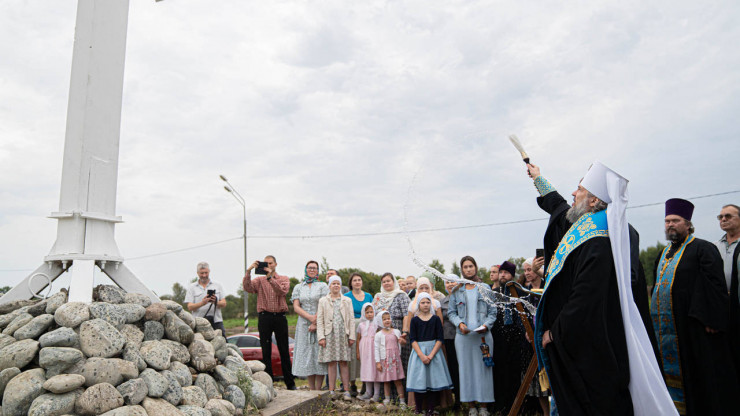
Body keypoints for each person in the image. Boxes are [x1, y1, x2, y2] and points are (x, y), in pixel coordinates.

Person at [532, 161, 673, 416]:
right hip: (591, 344)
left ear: (595, 200)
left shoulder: (600, 238)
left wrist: (555, 333)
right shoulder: (596, 228)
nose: (573, 195)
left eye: (579, 189)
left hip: (592, 350)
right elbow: (559, 209)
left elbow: (586, 295)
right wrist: (540, 180)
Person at [651, 198, 740, 414]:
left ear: (688, 224)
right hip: (666, 332)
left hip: (693, 329)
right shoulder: (663, 254)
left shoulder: (703, 248)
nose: (670, 225)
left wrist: (712, 319)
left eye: (675, 220)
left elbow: (715, 286)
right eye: (667, 221)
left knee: (698, 381)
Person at [447, 255, 496, 416]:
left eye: (471, 266)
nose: (468, 269)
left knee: (483, 370)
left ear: (475, 267)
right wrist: (459, 324)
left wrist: (485, 325)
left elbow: (493, 312)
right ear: (462, 270)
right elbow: (451, 312)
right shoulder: (456, 290)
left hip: (482, 337)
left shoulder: (485, 288)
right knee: (466, 370)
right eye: (465, 267)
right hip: (463, 337)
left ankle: (483, 406)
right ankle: (471, 407)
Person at [242, 256, 296, 389]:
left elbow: (282, 291)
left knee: (283, 350)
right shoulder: (259, 280)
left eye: (270, 263)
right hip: (265, 316)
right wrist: (248, 271)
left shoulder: (283, 278)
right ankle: (269, 383)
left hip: (280, 316)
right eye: (265, 263)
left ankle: (290, 383)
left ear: (275, 264)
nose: (268, 265)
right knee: (266, 351)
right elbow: (248, 288)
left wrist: (270, 278)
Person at [406, 293, 453, 415]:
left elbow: (439, 338)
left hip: (434, 353)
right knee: (419, 380)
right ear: (419, 305)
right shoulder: (415, 320)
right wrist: (421, 355)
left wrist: (431, 355)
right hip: (419, 353)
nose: (426, 305)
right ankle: (418, 409)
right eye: (423, 302)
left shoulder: (436, 319)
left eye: (428, 302)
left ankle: (431, 409)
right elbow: (413, 339)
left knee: (433, 381)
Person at [290, 260, 329, 390]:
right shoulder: (299, 287)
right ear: (306, 269)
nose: (312, 270)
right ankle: (311, 388)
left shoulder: (323, 286)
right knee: (307, 354)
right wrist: (309, 318)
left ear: (317, 271)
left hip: (320, 321)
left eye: (315, 268)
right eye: (310, 267)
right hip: (303, 324)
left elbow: (324, 303)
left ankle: (319, 388)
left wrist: (316, 320)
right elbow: (296, 306)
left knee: (319, 354)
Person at [317, 275, 356, 400]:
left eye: (338, 284)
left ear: (340, 286)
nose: (336, 286)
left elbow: (351, 319)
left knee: (344, 362)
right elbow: (320, 320)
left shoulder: (347, 300)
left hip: (343, 334)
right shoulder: (323, 300)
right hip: (330, 334)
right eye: (333, 283)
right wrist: (321, 337)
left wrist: (352, 336)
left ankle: (346, 390)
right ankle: (331, 390)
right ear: (329, 286)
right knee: (332, 362)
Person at [373, 273, 412, 382]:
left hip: (398, 333)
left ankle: (402, 394)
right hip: (382, 335)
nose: (386, 283)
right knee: (384, 360)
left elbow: (406, 315)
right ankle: (386, 393)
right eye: (384, 281)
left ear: (393, 282)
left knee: (399, 361)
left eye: (388, 281)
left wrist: (404, 331)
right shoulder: (378, 297)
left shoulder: (401, 295)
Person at [344, 272, 373, 395]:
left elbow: (372, 311)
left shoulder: (368, 296)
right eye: (354, 280)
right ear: (351, 283)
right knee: (352, 356)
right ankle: (352, 384)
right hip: (352, 327)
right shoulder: (346, 296)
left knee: (365, 354)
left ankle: (366, 383)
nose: (357, 282)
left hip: (367, 328)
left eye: (359, 280)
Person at [374, 310, 407, 408]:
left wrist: (402, 341)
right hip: (385, 360)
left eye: (388, 318)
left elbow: (402, 343)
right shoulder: (378, 334)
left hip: (395, 359)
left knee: (398, 381)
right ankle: (387, 399)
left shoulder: (396, 331)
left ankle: (402, 401)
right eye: (384, 319)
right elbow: (376, 349)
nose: (387, 321)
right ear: (380, 321)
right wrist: (378, 362)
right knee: (386, 381)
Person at [185, 262, 227, 336]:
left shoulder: (217, 285)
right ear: (197, 273)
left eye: (206, 273)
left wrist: (215, 302)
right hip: (198, 323)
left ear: (209, 271)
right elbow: (189, 307)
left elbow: (224, 303)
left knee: (222, 343)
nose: (204, 275)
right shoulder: (192, 287)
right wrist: (202, 303)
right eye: (202, 273)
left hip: (216, 321)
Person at [440, 277, 461, 410]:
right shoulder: (442, 302)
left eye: (452, 281)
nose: (450, 284)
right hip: (448, 338)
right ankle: (457, 399)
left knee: (462, 368)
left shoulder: (462, 298)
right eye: (447, 282)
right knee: (452, 368)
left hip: (462, 336)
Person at [356, 303, 381, 401]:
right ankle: (368, 392)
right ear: (363, 313)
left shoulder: (377, 325)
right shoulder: (361, 325)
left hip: (374, 349)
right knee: (367, 369)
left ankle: (376, 394)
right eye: (367, 312)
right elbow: (358, 339)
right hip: (364, 350)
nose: (370, 314)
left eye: (371, 312)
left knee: (375, 370)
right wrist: (358, 352)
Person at [716, 204, 740, 292]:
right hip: (718, 300)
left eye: (728, 216)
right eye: (720, 217)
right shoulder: (713, 247)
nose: (723, 219)